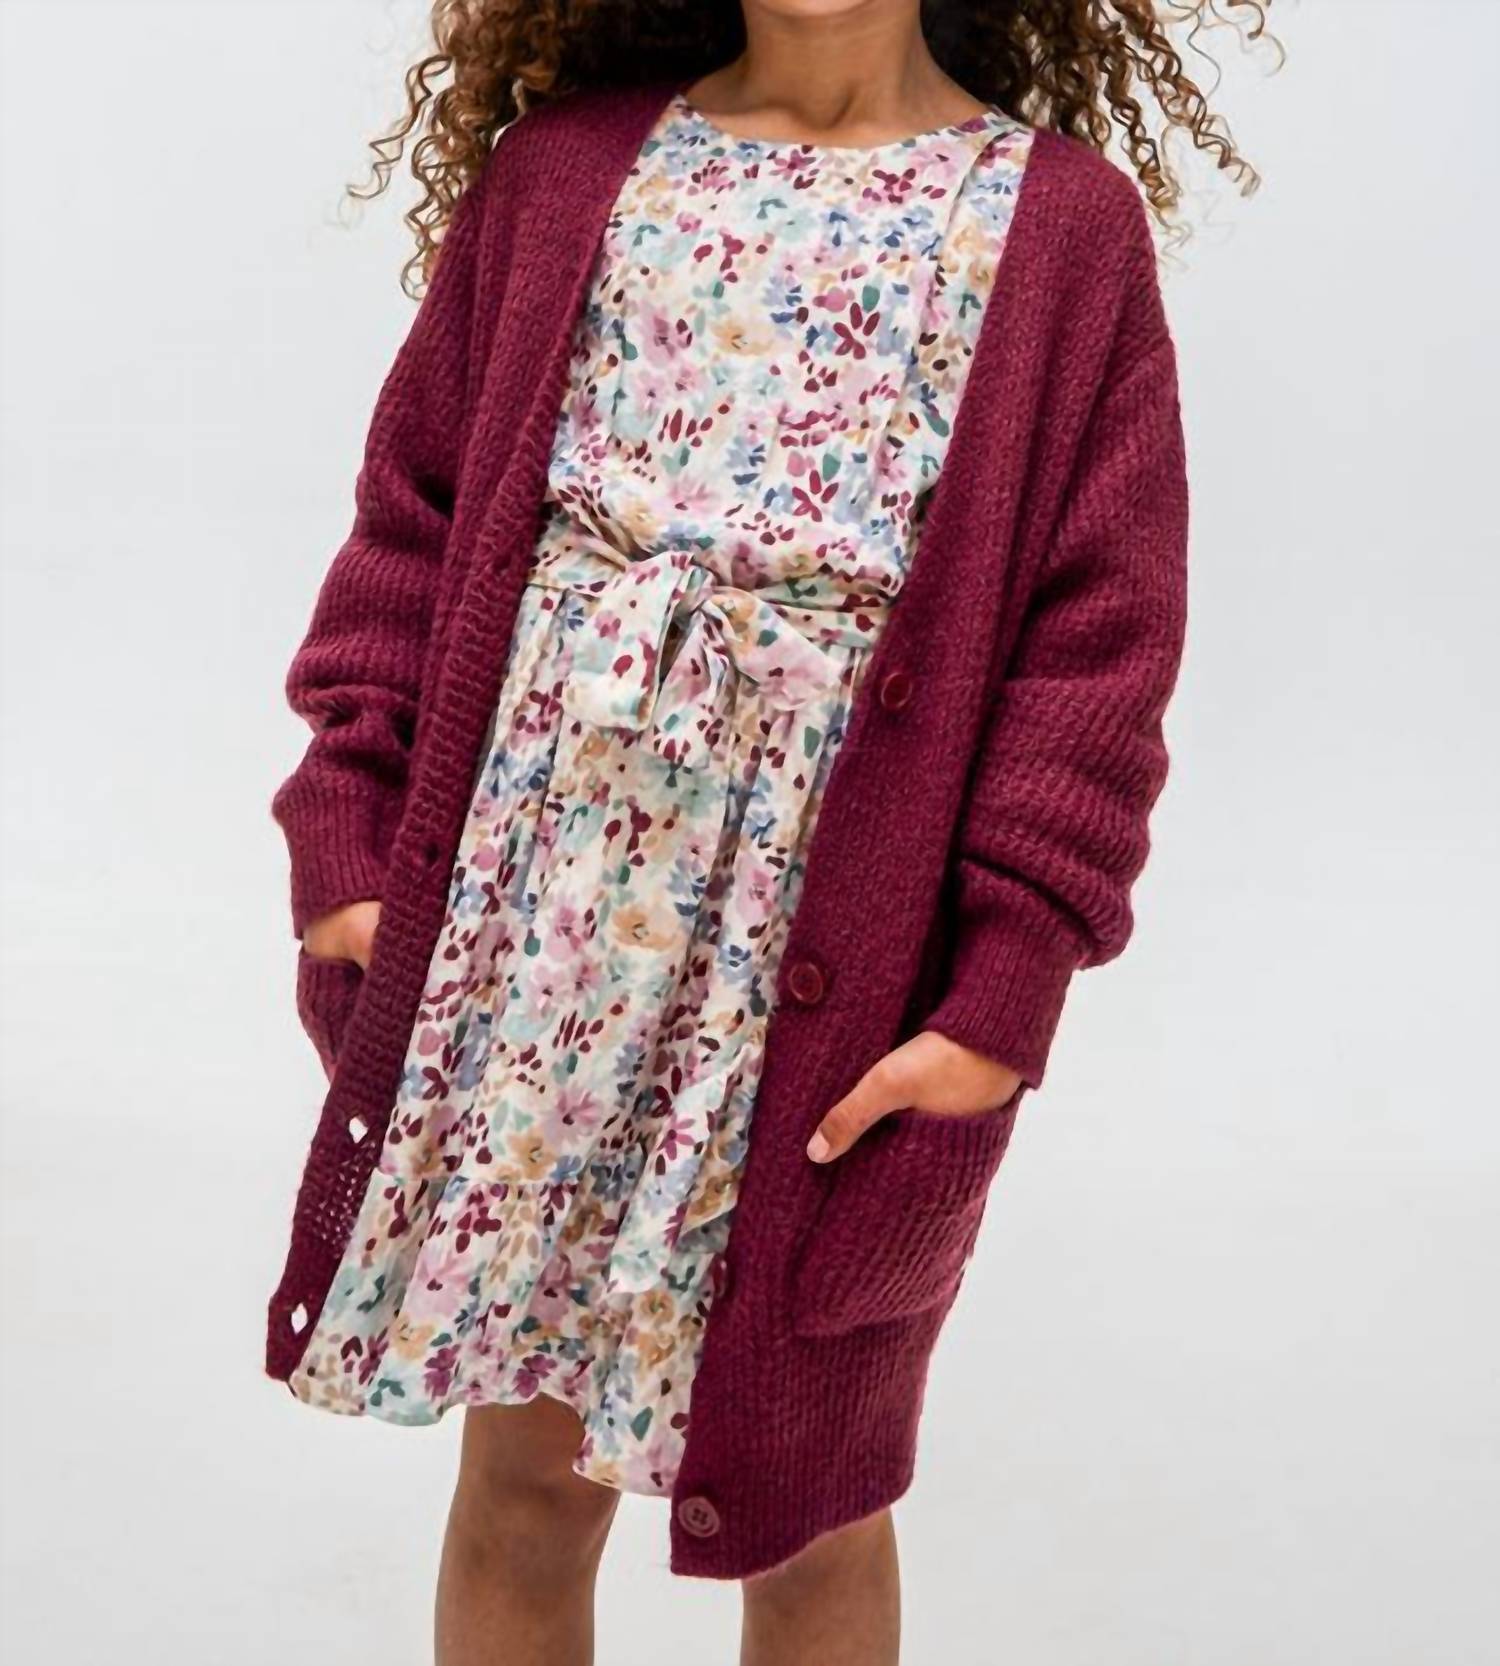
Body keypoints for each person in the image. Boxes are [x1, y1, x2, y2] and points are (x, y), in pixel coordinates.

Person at [266, 3, 1260, 1660]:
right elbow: (411, 529)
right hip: (538, 944)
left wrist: (1000, 996)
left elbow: (1100, 648)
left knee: (813, 1506)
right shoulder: (564, 176)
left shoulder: (1060, 230)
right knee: (522, 1481)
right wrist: (346, 862)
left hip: (823, 981)